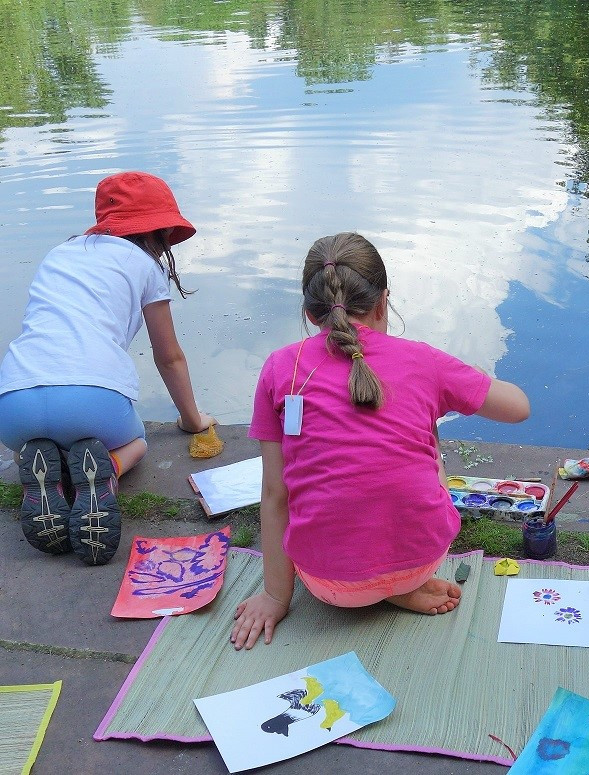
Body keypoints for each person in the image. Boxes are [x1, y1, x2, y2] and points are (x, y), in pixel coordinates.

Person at [231, 232, 530, 650]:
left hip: (326, 584)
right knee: (426, 431)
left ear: (310, 313)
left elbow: (274, 492)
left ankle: (378, 583)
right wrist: (462, 379)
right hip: (420, 561)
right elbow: (518, 407)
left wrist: (275, 596)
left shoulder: (281, 366)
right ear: (383, 301)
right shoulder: (424, 360)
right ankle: (398, 585)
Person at [0, 171, 214, 566]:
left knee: (34, 444)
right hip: (91, 402)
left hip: (14, 403)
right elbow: (168, 356)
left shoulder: (60, 253)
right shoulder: (147, 268)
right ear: (159, 230)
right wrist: (192, 419)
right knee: (136, 443)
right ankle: (107, 472)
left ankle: (41, 468)